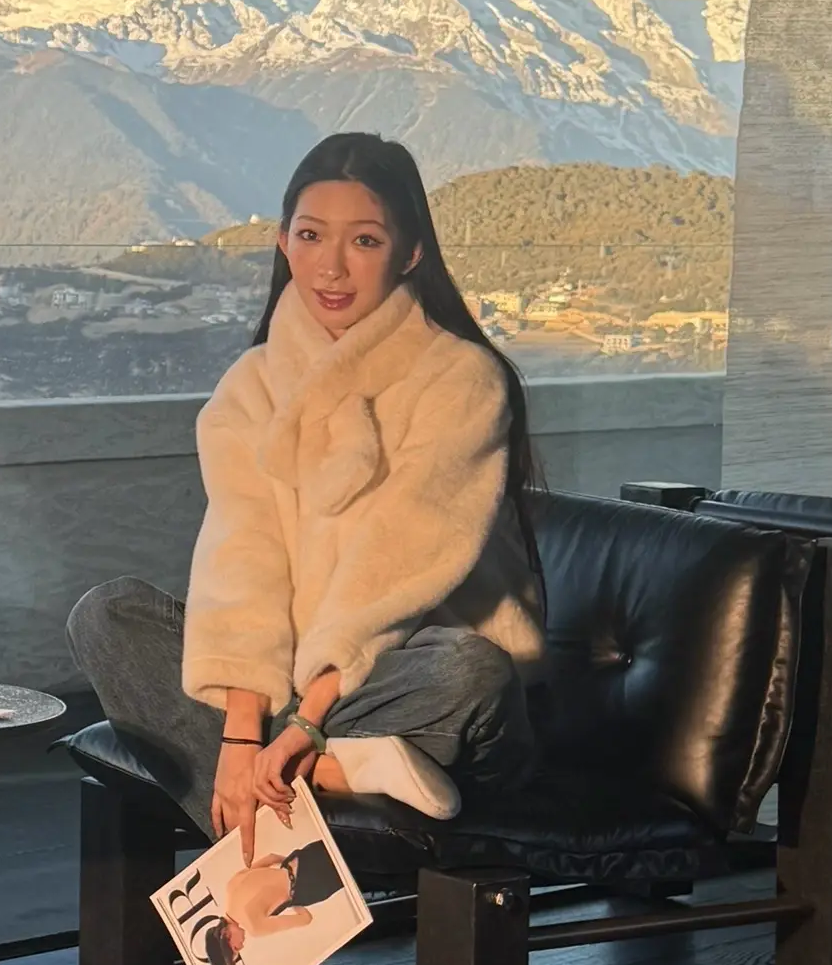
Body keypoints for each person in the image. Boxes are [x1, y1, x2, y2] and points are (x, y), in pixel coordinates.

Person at [69, 131, 543, 858]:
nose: (332, 265)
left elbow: (396, 565)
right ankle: (334, 773)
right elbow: (243, 556)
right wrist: (240, 735)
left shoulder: (463, 379)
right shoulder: (252, 385)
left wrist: (304, 723)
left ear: (410, 253)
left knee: (470, 668)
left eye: (365, 240)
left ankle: (305, 779)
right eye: (312, 235)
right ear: (283, 242)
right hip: (295, 686)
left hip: (404, 677)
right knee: (106, 616)